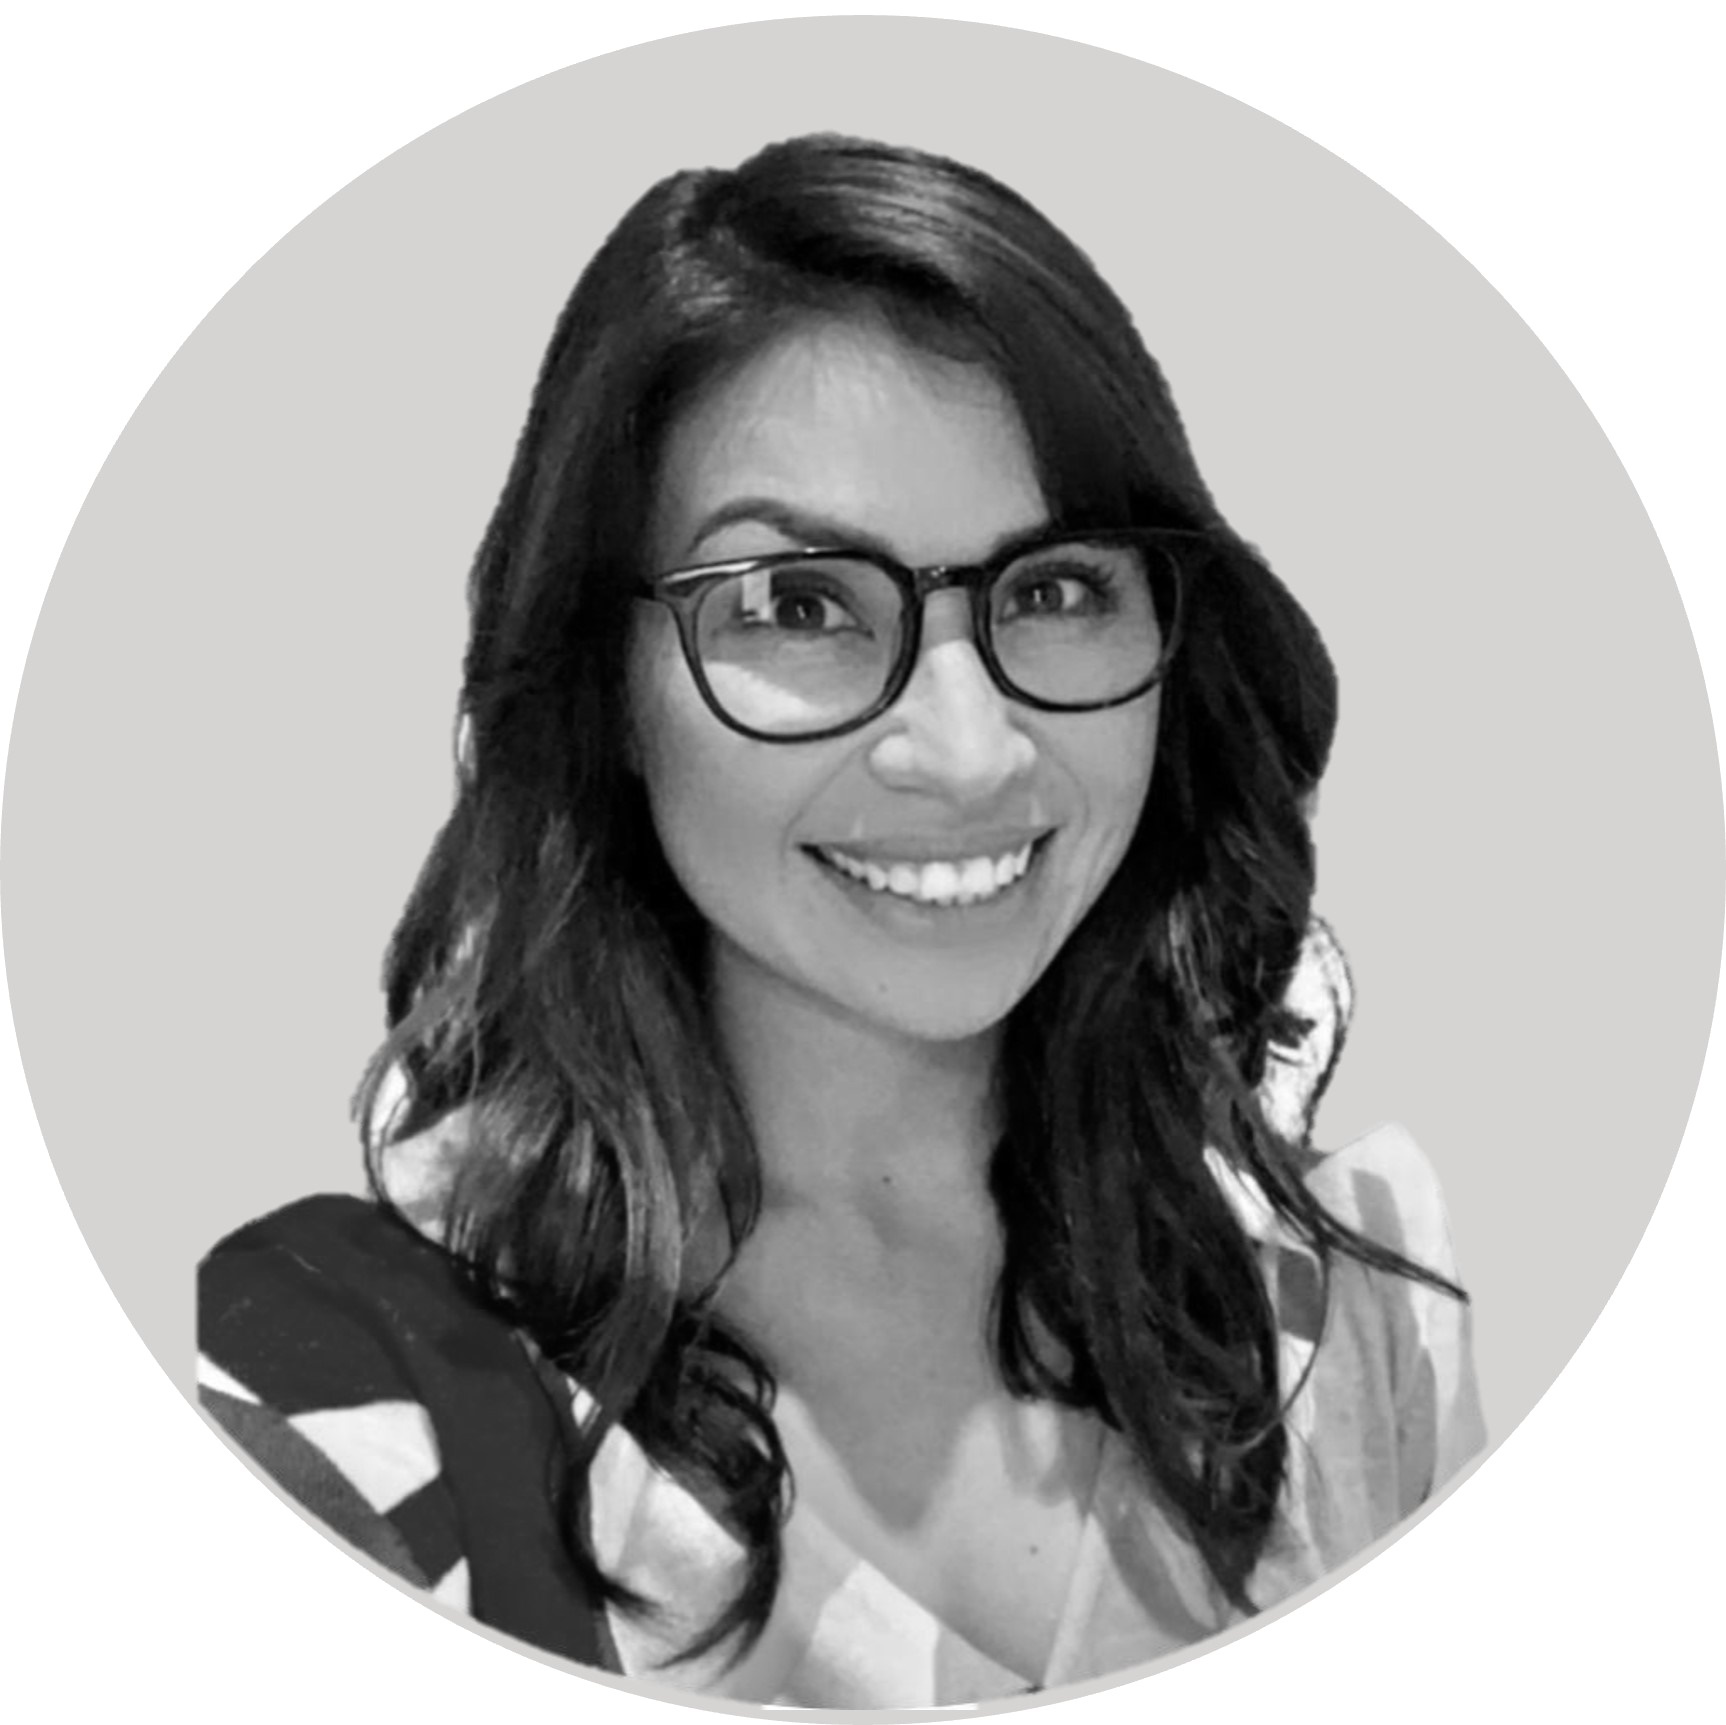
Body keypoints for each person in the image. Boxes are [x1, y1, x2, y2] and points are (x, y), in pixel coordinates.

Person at [197, 134, 1485, 1707]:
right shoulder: (336, 1399)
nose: (969, 750)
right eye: (798, 605)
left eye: (1055, 587)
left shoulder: (1359, 1319)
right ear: (601, 685)